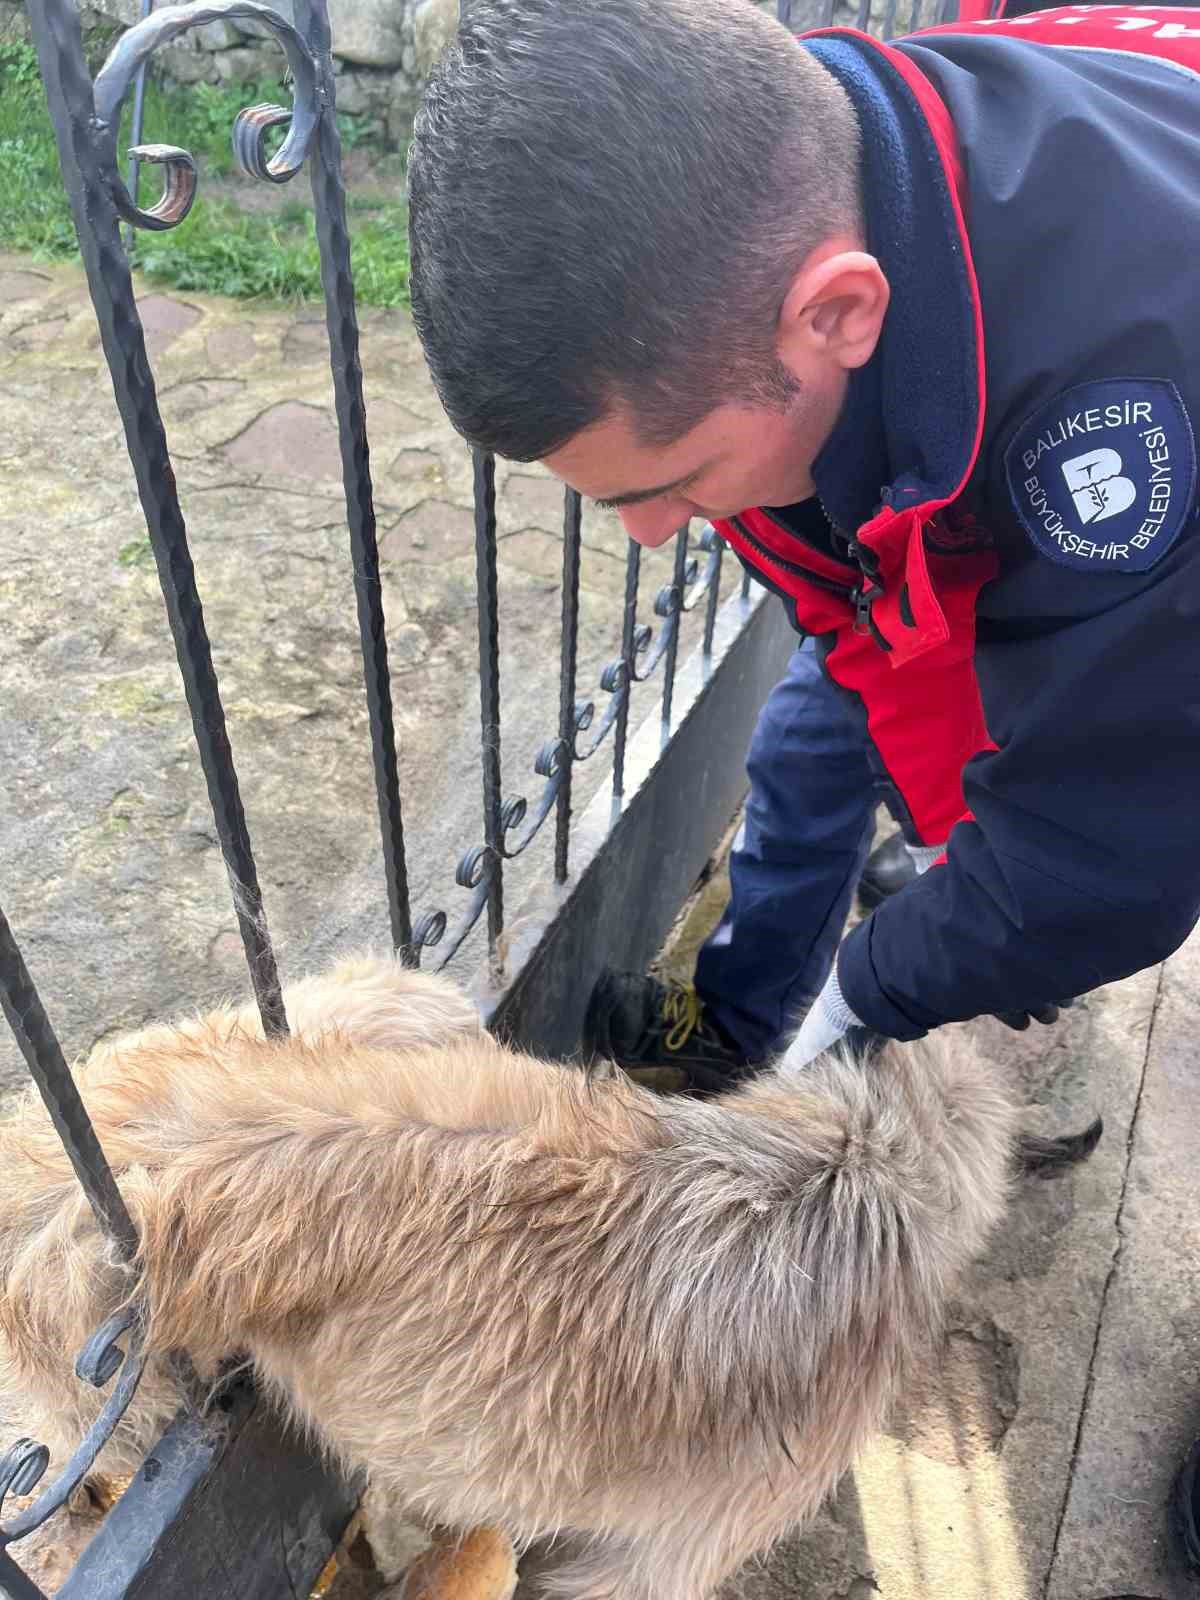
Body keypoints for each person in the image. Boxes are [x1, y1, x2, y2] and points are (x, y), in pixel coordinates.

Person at [405, 0, 1200, 1564]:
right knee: (820, 735)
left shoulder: (1127, 402)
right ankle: (754, 1008)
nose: (648, 536)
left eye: (668, 486)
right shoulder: (790, 174)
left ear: (836, 316)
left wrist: (891, 973)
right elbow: (871, 617)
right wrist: (948, 845)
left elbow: (1116, 855)